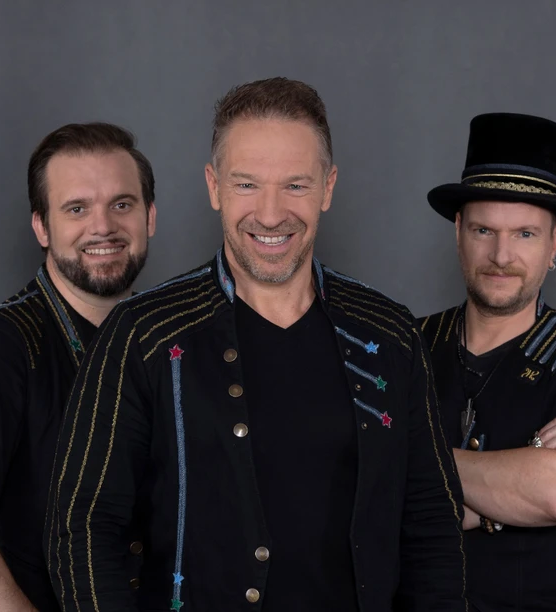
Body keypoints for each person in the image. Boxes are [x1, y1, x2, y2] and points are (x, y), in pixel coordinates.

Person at [45, 77, 466, 612]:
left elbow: (431, 523)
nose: (270, 214)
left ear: (328, 187)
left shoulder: (389, 334)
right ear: (213, 185)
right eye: (247, 185)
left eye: (296, 185)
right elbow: (82, 529)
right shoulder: (144, 335)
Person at [0, 122, 157, 611]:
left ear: (150, 217)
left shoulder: (161, 339)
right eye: (76, 208)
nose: (103, 226)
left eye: (122, 204)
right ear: (41, 226)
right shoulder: (1, 345)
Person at [416, 113, 556, 611]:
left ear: (555, 243)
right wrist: (519, 468)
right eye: (484, 229)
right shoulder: (409, 344)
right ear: (458, 232)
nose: (501, 254)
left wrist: (416, 462)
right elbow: (362, 493)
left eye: (525, 234)